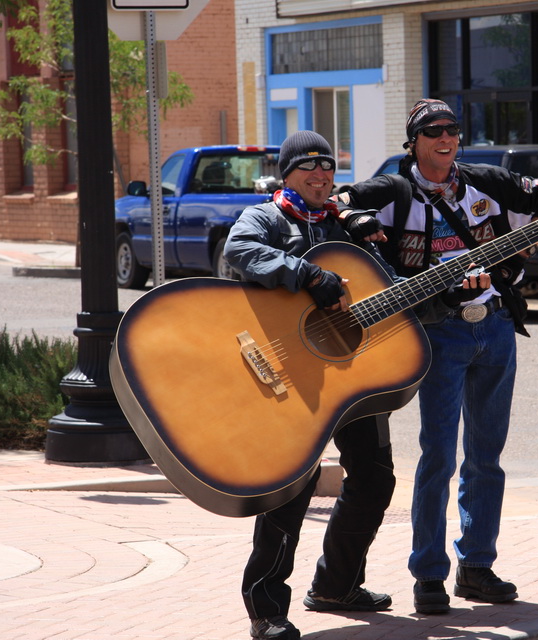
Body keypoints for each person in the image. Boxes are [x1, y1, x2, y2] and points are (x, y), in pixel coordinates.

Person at [335, 99, 538, 615]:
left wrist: (519, 253)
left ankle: (477, 568)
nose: (446, 138)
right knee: (437, 457)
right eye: (433, 131)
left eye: (453, 130)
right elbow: (338, 200)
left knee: (486, 458)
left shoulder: (488, 181)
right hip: (438, 334)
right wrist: (357, 220)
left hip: (496, 328)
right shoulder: (395, 190)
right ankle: (428, 575)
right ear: (413, 142)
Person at [224, 130, 395, 640]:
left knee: (375, 477)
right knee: (291, 488)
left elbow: (384, 287)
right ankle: (267, 609)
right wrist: (305, 273)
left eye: (328, 167)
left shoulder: (349, 225)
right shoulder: (267, 217)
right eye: (309, 168)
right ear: (288, 174)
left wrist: (451, 290)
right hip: (288, 374)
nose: (322, 176)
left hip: (351, 375)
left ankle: (336, 586)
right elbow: (240, 250)